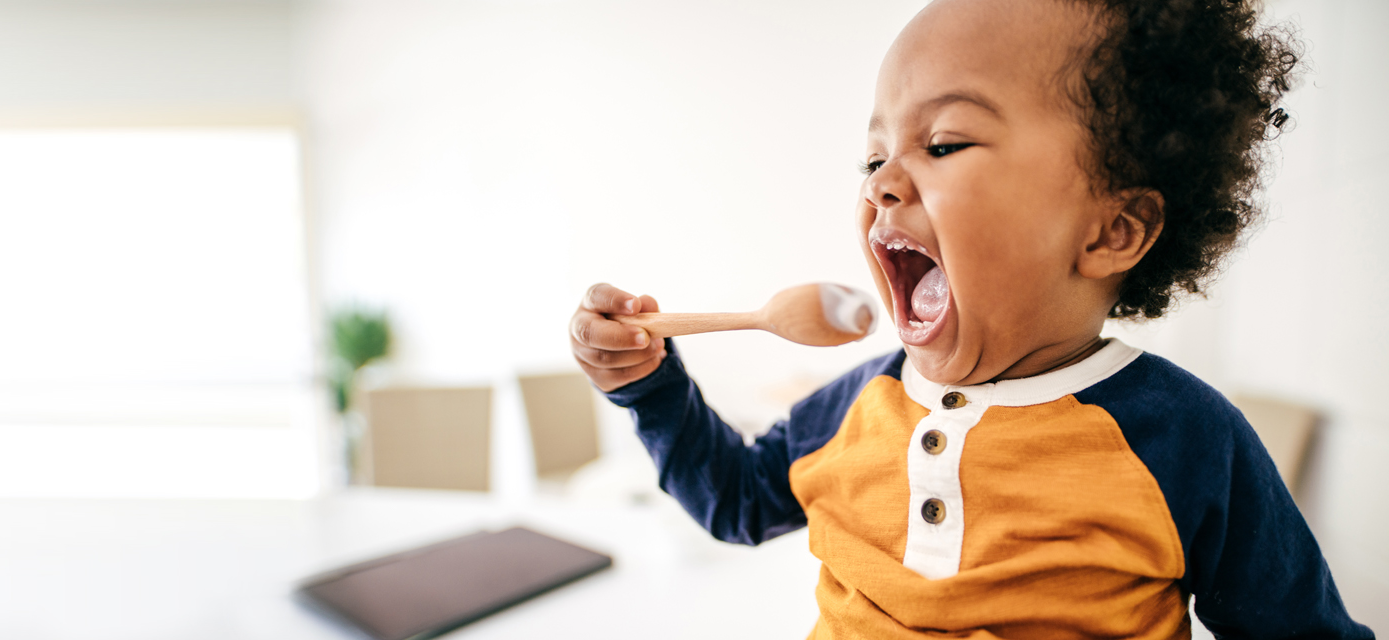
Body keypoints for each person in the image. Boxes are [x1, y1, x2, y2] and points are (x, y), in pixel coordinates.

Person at [567, 0, 1373, 636]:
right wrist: (651, 389)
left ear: (1110, 231)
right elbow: (737, 501)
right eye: (873, 156)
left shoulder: (1184, 438)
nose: (883, 181)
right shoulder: (858, 406)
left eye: (945, 143)